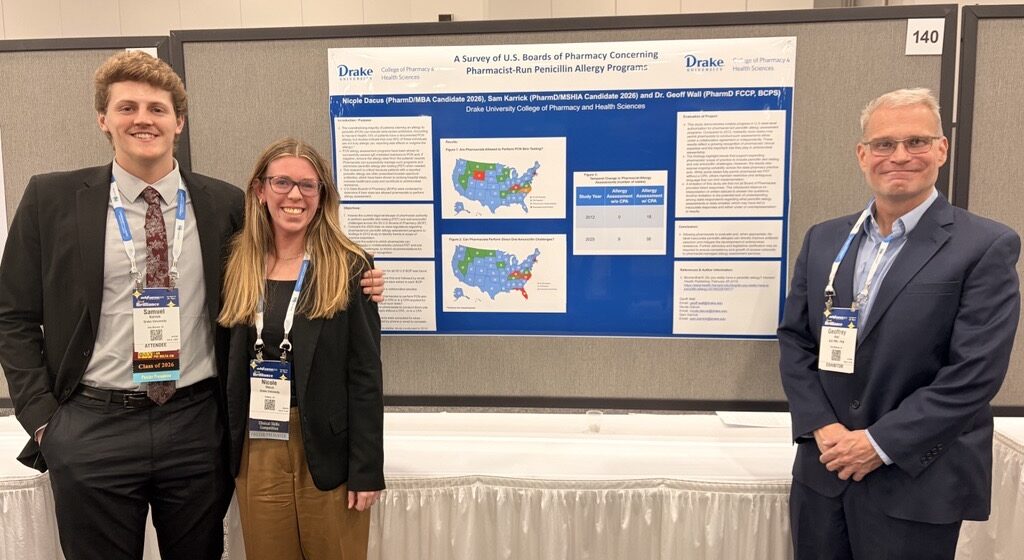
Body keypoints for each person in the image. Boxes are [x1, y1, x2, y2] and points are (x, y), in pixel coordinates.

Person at [0, 52, 383, 560]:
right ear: (103, 119)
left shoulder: (223, 205)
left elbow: (292, 254)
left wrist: (364, 276)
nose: (143, 119)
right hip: (92, 425)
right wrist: (46, 422)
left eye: (157, 109)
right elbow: (13, 316)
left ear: (178, 122)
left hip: (197, 425)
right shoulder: (51, 199)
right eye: (127, 107)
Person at [778, 87, 1020, 559]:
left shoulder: (985, 245)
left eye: (917, 142)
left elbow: (975, 373)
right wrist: (822, 426)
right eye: (885, 144)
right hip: (824, 472)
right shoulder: (826, 239)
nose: (900, 156)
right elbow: (795, 341)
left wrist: (878, 443)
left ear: (941, 150)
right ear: (862, 155)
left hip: (916, 478)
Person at [218, 137, 383, 560]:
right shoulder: (236, 263)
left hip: (329, 452)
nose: (295, 195)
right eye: (282, 182)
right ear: (259, 190)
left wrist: (366, 471)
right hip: (257, 448)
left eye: (308, 186)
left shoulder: (349, 266)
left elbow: (365, 375)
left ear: (322, 195)